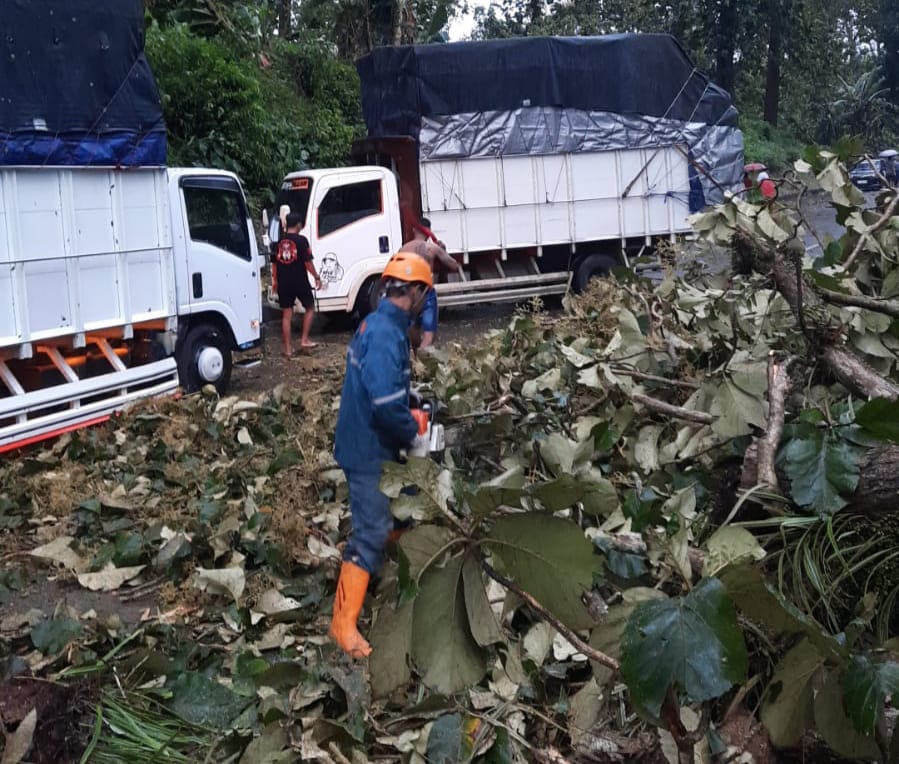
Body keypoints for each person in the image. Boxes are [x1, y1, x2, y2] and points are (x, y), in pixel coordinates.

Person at [330, 252, 433, 658]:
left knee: (401, 510)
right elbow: (385, 403)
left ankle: (391, 573)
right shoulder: (387, 334)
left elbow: (386, 387)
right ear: (415, 292)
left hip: (371, 440)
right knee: (371, 530)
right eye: (426, 294)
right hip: (368, 449)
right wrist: (414, 433)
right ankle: (342, 623)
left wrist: (414, 401)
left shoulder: (380, 324)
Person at [400, 217, 460, 350]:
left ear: (414, 230)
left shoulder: (403, 249)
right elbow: (454, 265)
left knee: (413, 332)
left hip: (408, 293)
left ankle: (415, 358)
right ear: (429, 231)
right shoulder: (432, 248)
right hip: (426, 293)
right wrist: (443, 250)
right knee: (428, 336)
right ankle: (420, 361)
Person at [274, 210, 321, 357]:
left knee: (287, 315)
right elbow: (307, 262)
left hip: (284, 282)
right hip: (299, 281)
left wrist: (275, 281)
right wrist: (316, 276)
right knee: (310, 307)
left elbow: (274, 265)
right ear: (299, 225)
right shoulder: (301, 241)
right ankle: (304, 339)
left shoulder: (278, 242)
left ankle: (287, 350)